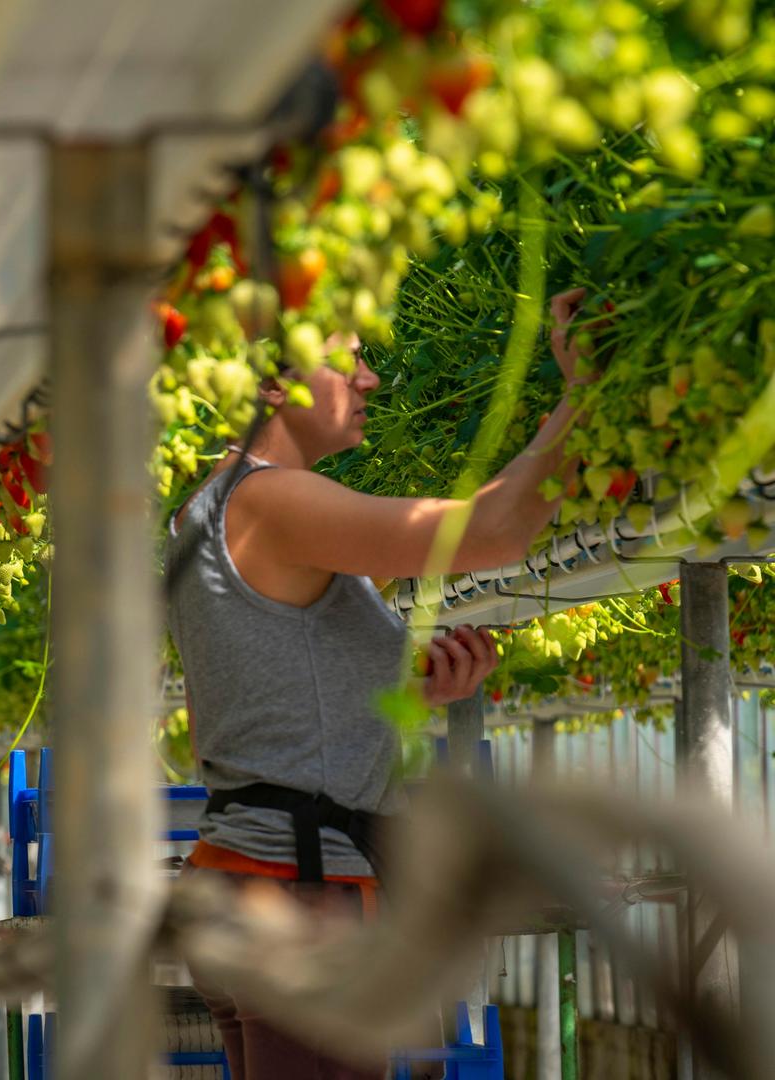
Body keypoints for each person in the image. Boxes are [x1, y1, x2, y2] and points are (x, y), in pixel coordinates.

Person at [165, 289, 591, 1078]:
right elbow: (492, 530)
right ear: (269, 386)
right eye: (348, 357)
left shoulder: (211, 509)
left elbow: (244, 719)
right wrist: (578, 398)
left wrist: (416, 694)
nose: (370, 379)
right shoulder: (270, 500)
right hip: (298, 901)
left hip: (256, 883)